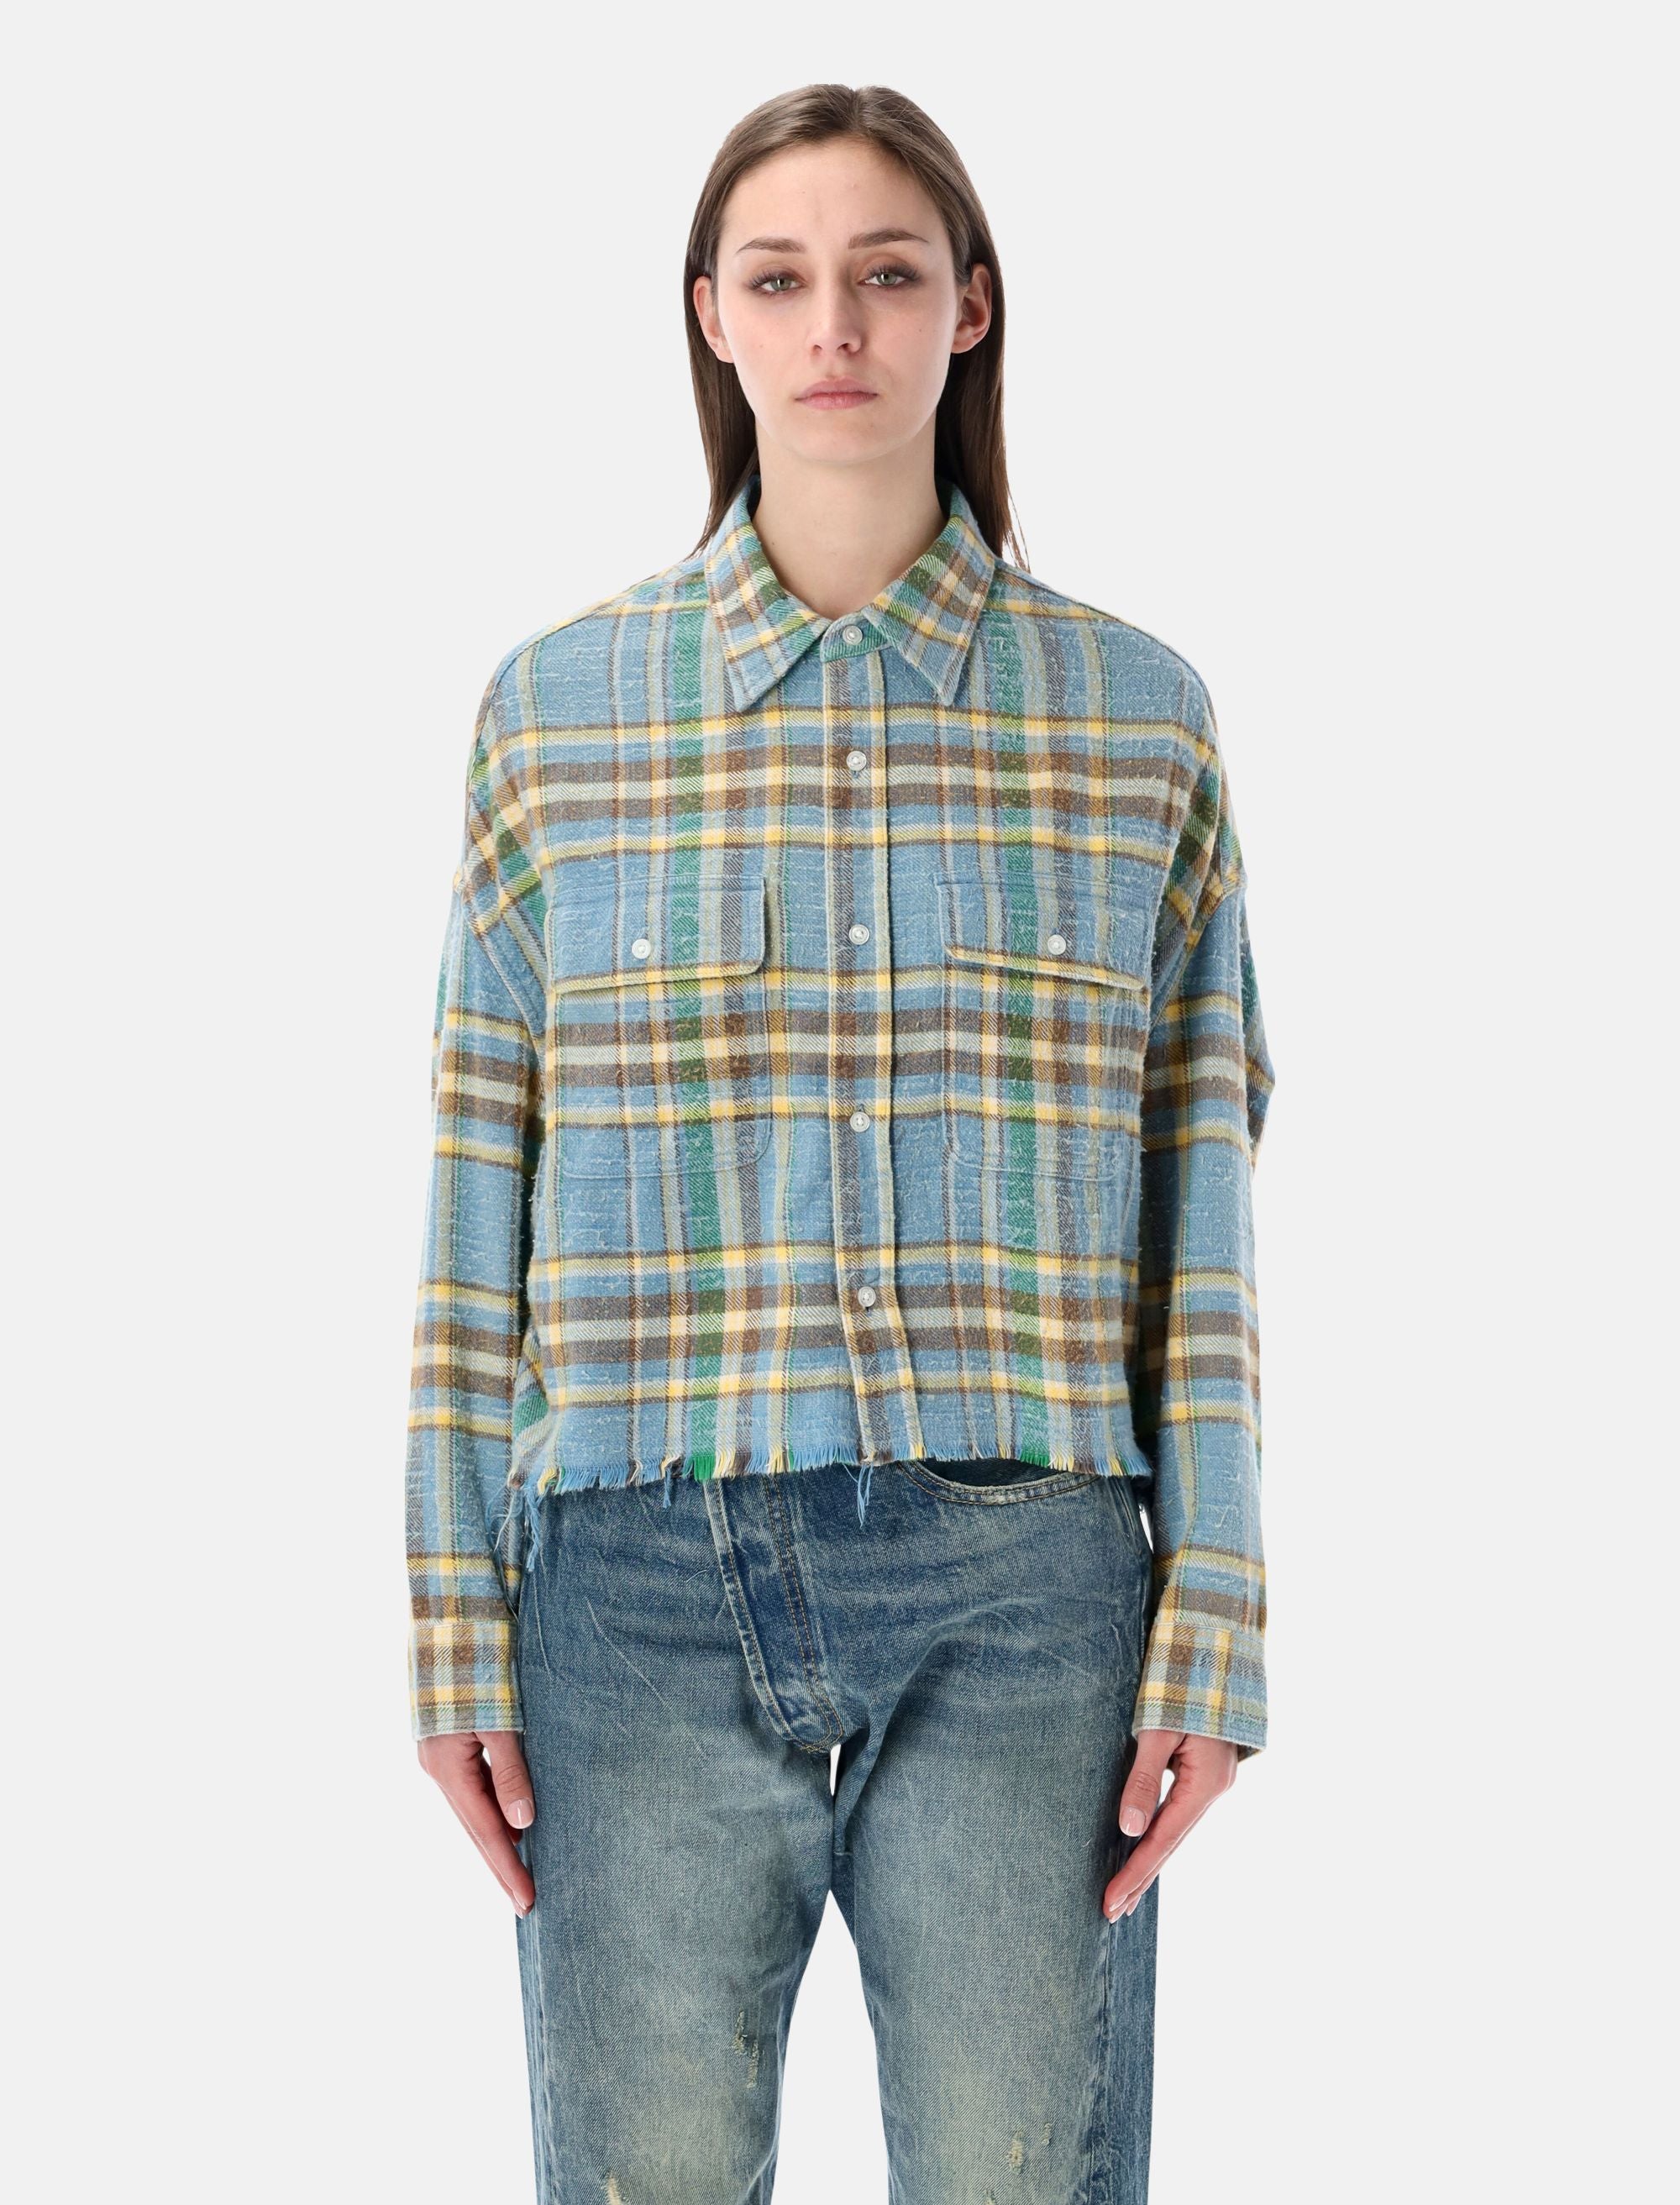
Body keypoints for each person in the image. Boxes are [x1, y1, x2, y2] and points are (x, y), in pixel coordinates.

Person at [404, 81, 1275, 2205]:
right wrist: (446, 1612)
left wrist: (1220, 1611)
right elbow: (473, 1184)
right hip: (629, 1586)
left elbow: (1203, 1200)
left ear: (969, 306)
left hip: (1030, 1591)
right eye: (779, 277)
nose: (835, 326)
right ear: (709, 315)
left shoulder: (1136, 719)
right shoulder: (557, 713)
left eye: (886, 273)